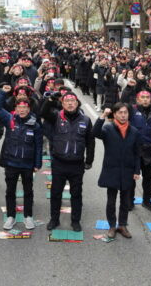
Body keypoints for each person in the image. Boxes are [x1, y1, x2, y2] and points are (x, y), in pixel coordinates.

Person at [41, 91, 94, 232]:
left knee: (76, 194)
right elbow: (44, 112)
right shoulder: (57, 117)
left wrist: (89, 159)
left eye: (73, 101)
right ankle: (54, 219)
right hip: (59, 162)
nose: (70, 103)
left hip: (77, 164)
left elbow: (90, 141)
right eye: (67, 101)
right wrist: (51, 99)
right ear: (63, 104)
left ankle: (75, 221)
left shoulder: (86, 120)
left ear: (77, 103)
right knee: (56, 193)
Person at [0, 84, 42, 230]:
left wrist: (37, 163)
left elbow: (38, 146)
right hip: (11, 163)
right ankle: (11, 216)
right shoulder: (10, 119)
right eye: (19, 108)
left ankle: (28, 216)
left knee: (28, 191)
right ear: (16, 108)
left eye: (25, 108)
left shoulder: (35, 124)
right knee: (10, 191)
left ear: (29, 109)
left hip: (27, 164)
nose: (22, 110)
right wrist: (3, 93)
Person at [93, 104, 141, 239]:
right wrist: (102, 116)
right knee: (111, 201)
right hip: (112, 169)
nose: (123, 115)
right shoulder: (108, 129)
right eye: (120, 113)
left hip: (128, 170)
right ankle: (112, 226)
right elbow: (95, 133)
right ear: (114, 114)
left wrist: (137, 170)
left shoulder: (134, 131)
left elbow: (137, 153)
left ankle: (123, 225)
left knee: (125, 201)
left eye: (125, 112)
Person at [129, 90, 151, 211]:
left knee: (147, 178)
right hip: (134, 149)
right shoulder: (131, 111)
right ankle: (129, 201)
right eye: (142, 97)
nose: (145, 99)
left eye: (147, 97)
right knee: (132, 177)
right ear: (137, 99)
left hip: (150, 150)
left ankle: (146, 201)